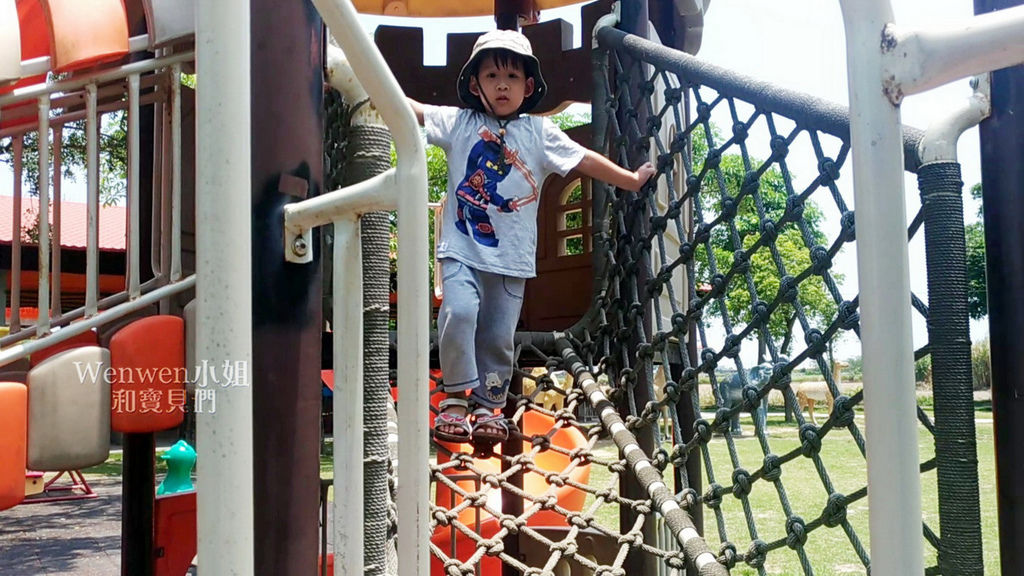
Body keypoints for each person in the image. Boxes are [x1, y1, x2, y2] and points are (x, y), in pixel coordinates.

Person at [408, 29, 656, 444]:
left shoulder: (538, 134)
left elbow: (585, 160)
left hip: (510, 258)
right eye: (491, 76)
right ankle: (454, 397)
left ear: (528, 86)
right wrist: (358, 77)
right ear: (475, 84)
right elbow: (411, 110)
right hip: (462, 250)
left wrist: (629, 180)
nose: (502, 85)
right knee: (459, 314)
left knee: (498, 335)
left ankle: (488, 404)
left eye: (511, 77)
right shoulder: (460, 123)